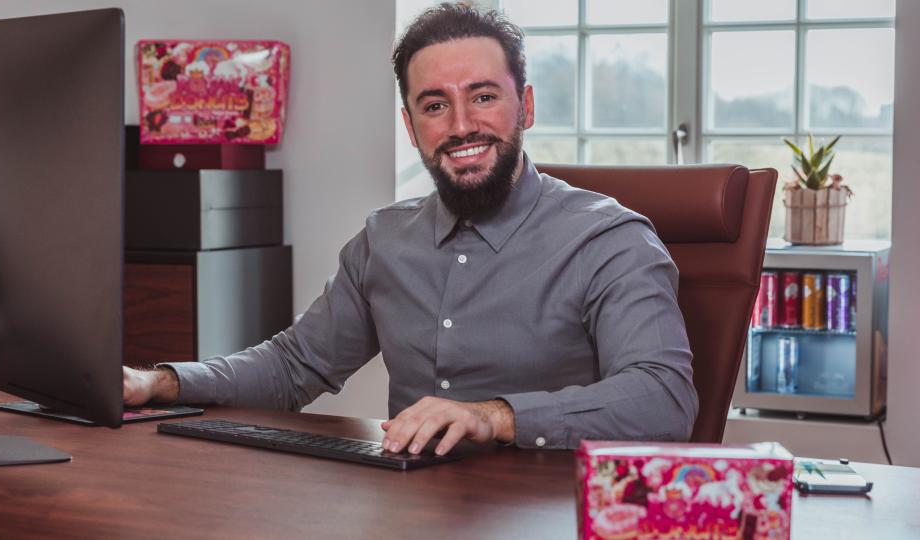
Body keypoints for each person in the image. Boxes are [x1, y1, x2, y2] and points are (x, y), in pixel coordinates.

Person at [123, 3, 698, 456]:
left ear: (525, 105)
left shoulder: (610, 240)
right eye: (434, 105)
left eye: (483, 96)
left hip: (550, 512)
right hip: (406, 508)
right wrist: (161, 384)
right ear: (410, 124)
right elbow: (294, 366)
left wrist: (493, 416)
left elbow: (664, 397)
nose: (462, 124)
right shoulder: (385, 240)